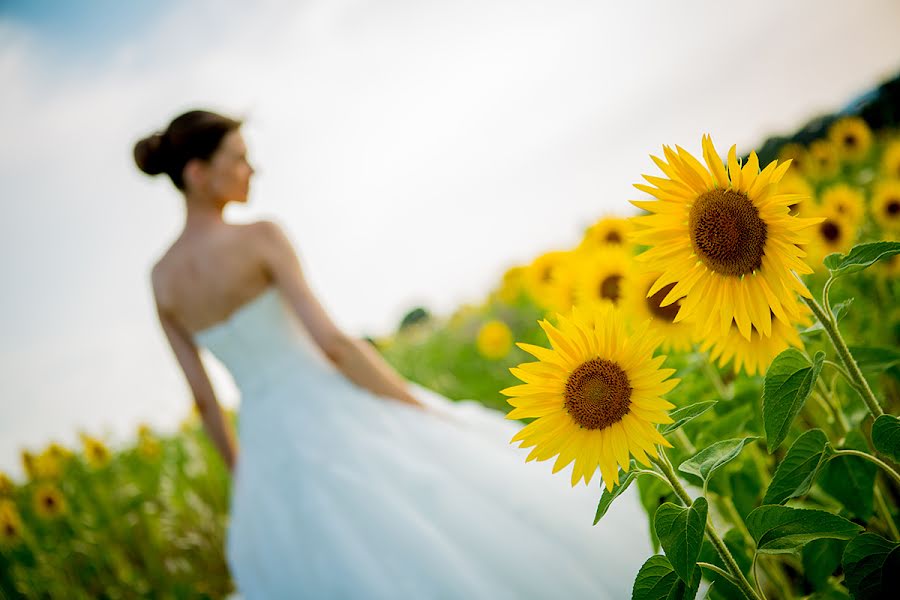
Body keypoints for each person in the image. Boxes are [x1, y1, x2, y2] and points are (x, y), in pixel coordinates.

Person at [134, 109, 651, 599]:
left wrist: (247, 480)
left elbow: (204, 400)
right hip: (331, 410)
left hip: (267, 445)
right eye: (239, 158)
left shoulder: (162, 282)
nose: (253, 169)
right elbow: (334, 346)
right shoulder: (261, 237)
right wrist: (412, 406)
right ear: (198, 173)